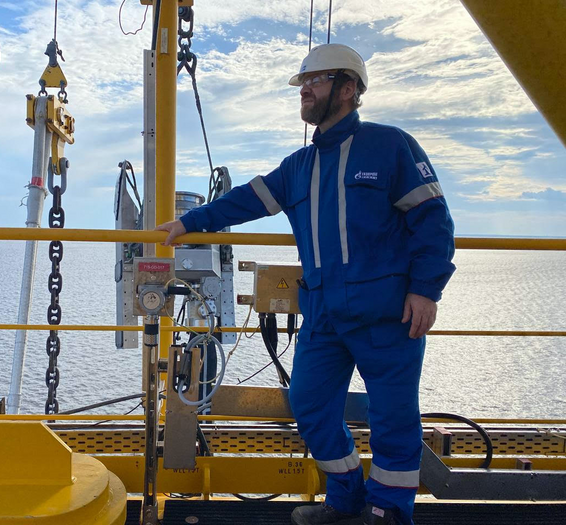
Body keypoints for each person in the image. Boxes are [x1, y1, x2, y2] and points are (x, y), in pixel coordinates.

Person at [157, 43, 455, 525]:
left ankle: (388, 511)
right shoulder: (299, 166)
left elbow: (434, 222)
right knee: (310, 404)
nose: (305, 90)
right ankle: (346, 496)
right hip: (324, 315)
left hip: (388, 312)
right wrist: (190, 222)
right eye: (303, 83)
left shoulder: (390, 146)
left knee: (393, 418)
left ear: (349, 87)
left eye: (315, 80)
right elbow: (246, 199)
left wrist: (426, 290)